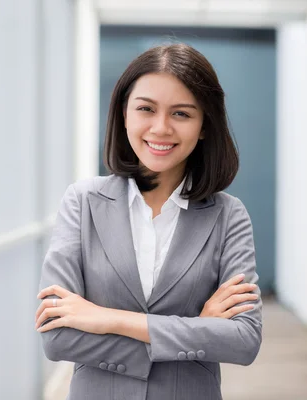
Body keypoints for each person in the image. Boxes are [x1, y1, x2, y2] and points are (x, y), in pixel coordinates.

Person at [35, 43, 262, 400]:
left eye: (181, 114)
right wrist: (198, 330)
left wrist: (108, 319)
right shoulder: (82, 202)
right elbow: (56, 335)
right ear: (124, 113)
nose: (161, 128)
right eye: (146, 109)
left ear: (204, 125)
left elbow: (244, 341)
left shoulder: (228, 215)